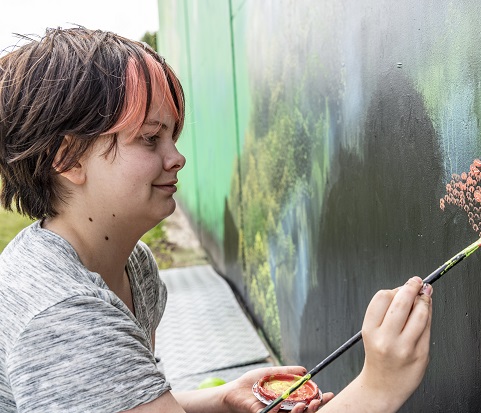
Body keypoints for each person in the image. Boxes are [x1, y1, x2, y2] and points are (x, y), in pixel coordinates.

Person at [0, 27, 433, 413]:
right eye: (150, 139)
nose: (177, 157)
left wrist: (220, 399)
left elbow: (124, 395)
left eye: (172, 135)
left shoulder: (135, 266)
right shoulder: (66, 318)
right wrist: (378, 389)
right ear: (69, 158)